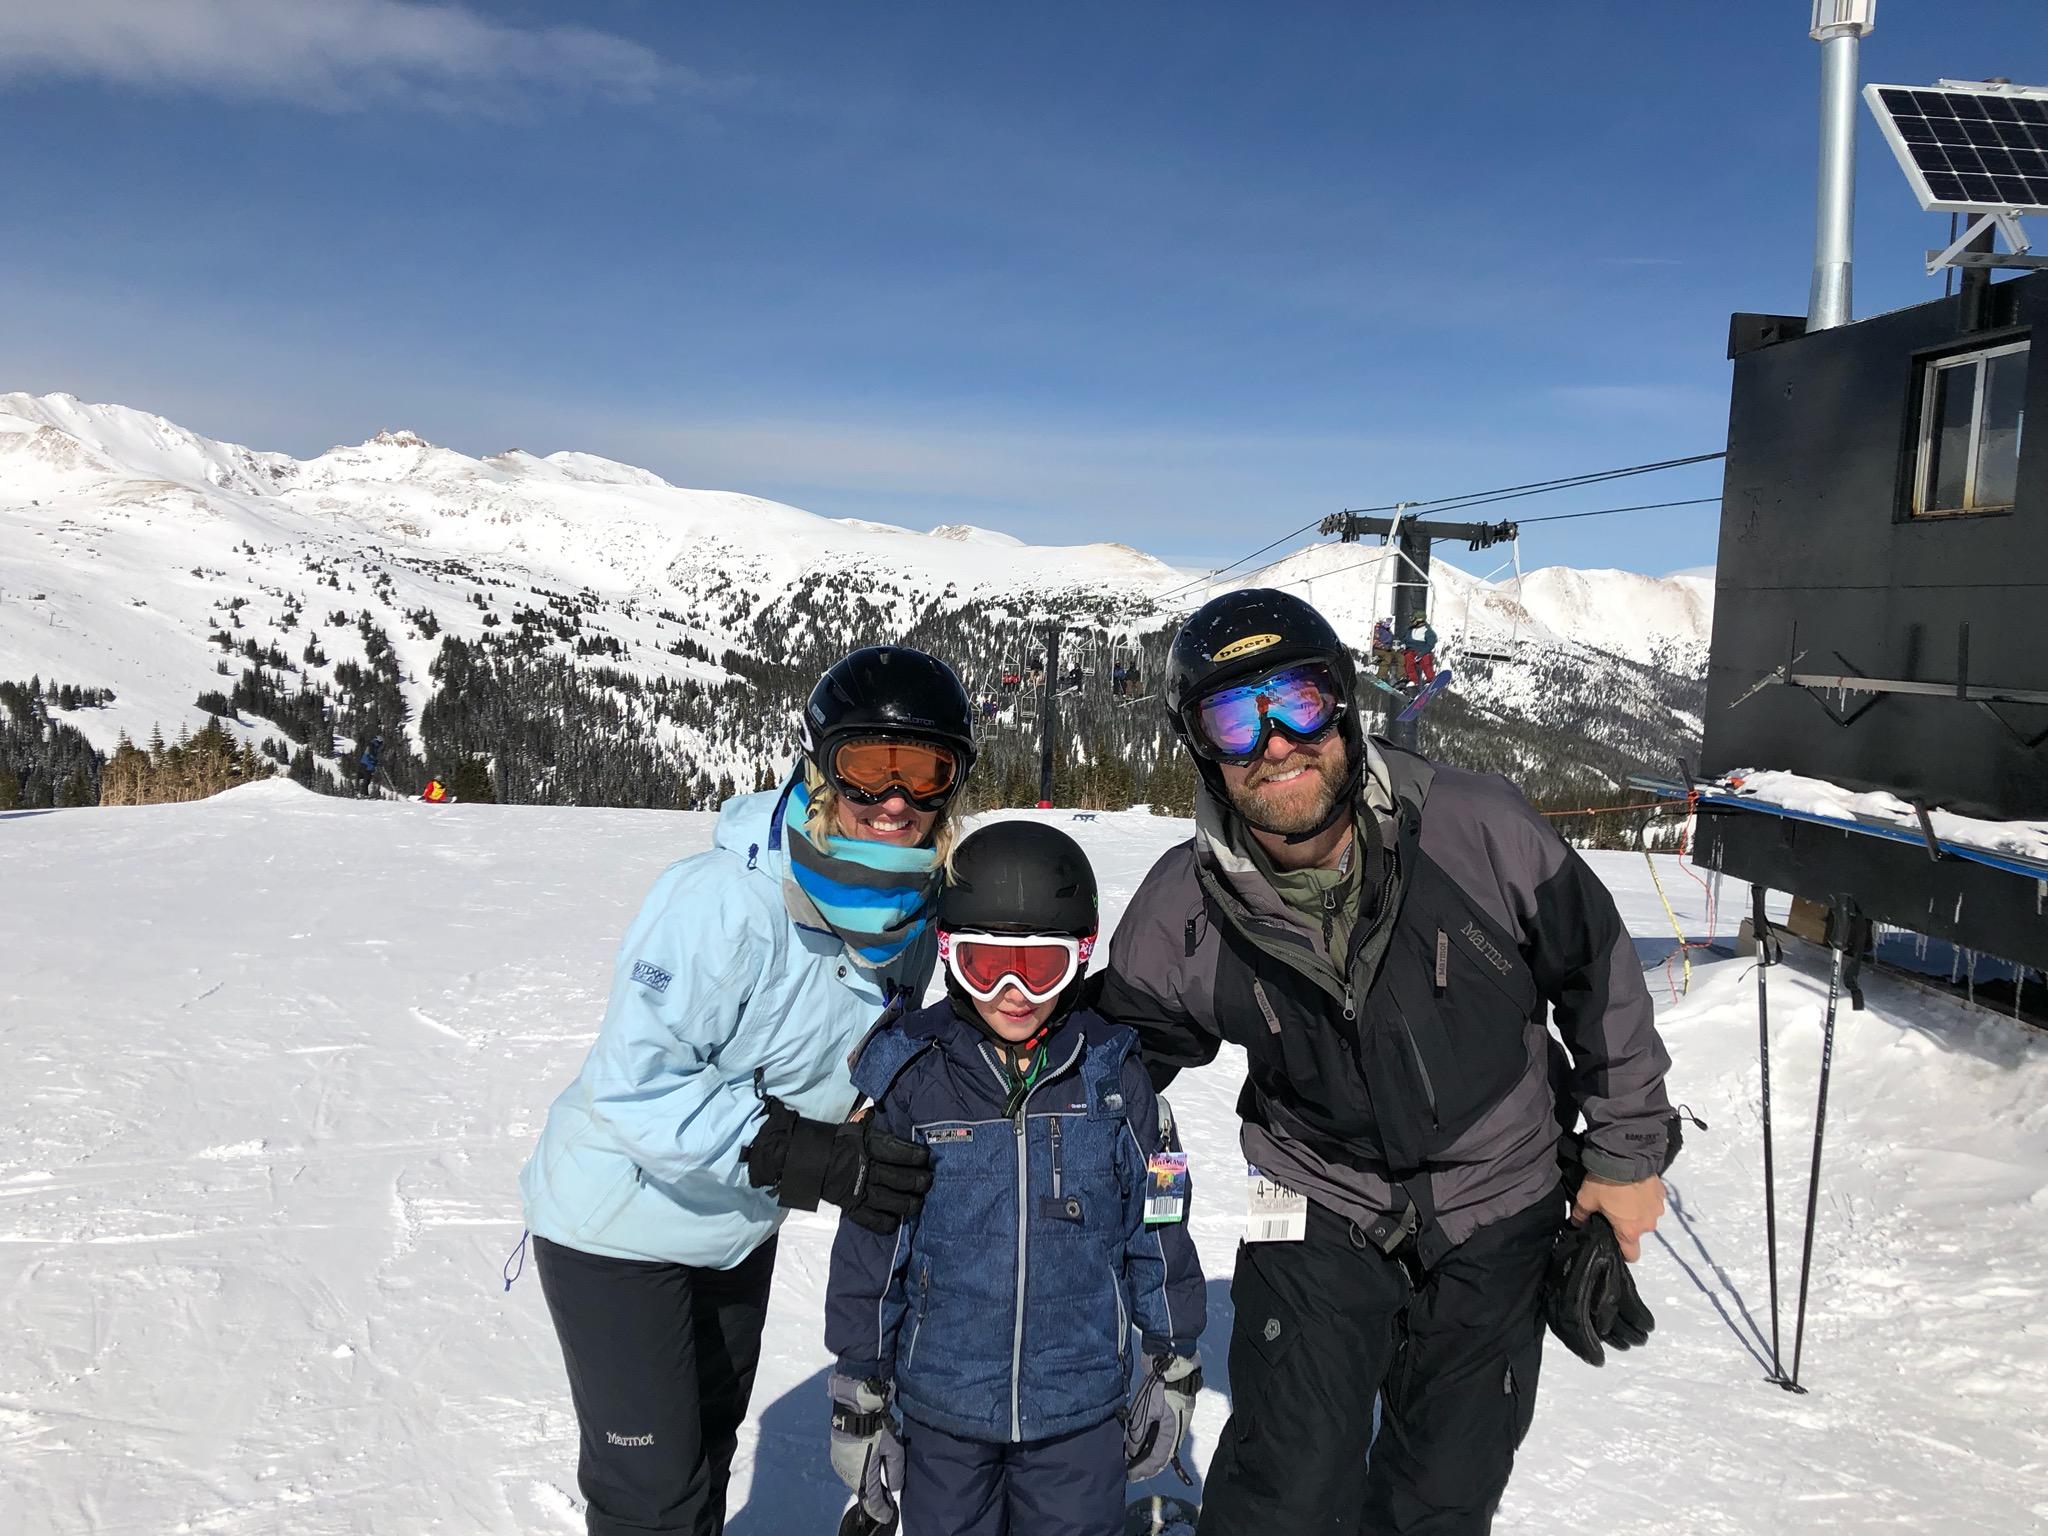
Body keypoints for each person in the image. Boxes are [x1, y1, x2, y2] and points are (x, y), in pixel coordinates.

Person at [1096, 589, 1679, 1535]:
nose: (1276, 741)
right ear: (1201, 745)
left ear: (1344, 704)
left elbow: (1597, 970)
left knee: (1442, 1495)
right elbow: (1111, 1060)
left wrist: (1625, 1155)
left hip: (1499, 1193)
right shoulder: (1186, 904)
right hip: (1303, 1194)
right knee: (1284, 1485)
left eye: (1299, 699)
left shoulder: (1473, 829)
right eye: (1237, 716)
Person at [519, 646, 979, 1536]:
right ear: (818, 767)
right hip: (616, 1224)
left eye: (924, 773)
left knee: (707, 1450)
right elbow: (634, 1082)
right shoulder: (721, 902)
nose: (894, 801)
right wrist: (800, 1152)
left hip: (736, 1224)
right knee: (650, 1495)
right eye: (866, 767)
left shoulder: (911, 920)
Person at [825, 822, 1206, 1536]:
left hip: (1080, 1410)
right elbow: (873, 1244)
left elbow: (1158, 1223)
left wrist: (1172, 1356)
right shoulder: (913, 1079)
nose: (1012, 993)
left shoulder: (1114, 1077)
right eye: (985, 965)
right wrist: (858, 1386)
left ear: (1080, 959)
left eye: (1041, 969)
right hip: (945, 1410)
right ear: (948, 956)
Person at [1400, 619, 1438, 687]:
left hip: (1422, 651)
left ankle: (1431, 679)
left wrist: (1422, 653)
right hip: (1411, 650)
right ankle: (1413, 680)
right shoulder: (1410, 630)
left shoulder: (1427, 631)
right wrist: (1403, 645)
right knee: (1408, 659)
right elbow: (1404, 639)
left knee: (1426, 661)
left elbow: (1430, 644)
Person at [1369, 618, 1399, 685]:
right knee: (1387, 657)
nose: (1388, 624)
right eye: (1387, 622)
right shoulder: (1378, 629)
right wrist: (1384, 647)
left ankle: (1395, 678)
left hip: (1386, 649)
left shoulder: (1389, 632)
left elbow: (1392, 641)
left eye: (1389, 623)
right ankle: (1380, 676)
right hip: (1378, 649)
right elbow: (1375, 641)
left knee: (1397, 656)